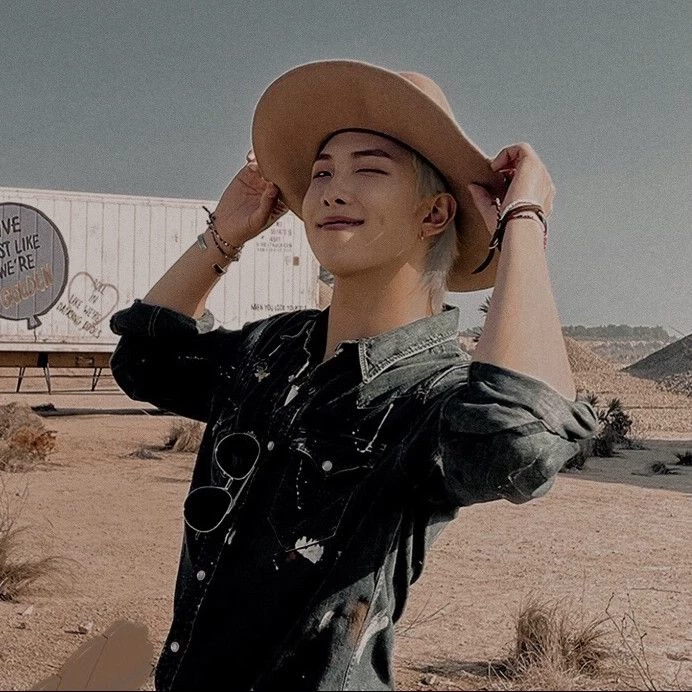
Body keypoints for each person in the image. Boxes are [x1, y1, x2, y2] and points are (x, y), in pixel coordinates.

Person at [109, 60, 598, 691]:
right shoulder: (272, 348)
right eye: (321, 174)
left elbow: (519, 443)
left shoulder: (433, 394)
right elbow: (147, 362)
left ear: (434, 213)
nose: (332, 192)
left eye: (368, 170)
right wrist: (225, 235)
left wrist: (523, 221)